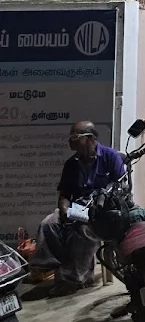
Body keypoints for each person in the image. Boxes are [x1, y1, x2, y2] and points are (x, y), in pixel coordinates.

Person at [28, 121, 127, 296]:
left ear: (89, 138)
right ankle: (52, 266)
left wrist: (101, 205)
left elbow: (122, 187)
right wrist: (65, 210)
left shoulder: (110, 156)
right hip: (78, 208)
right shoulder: (71, 164)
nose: (69, 141)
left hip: (103, 212)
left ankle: (75, 278)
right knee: (48, 224)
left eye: (74, 137)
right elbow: (64, 194)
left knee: (83, 228)